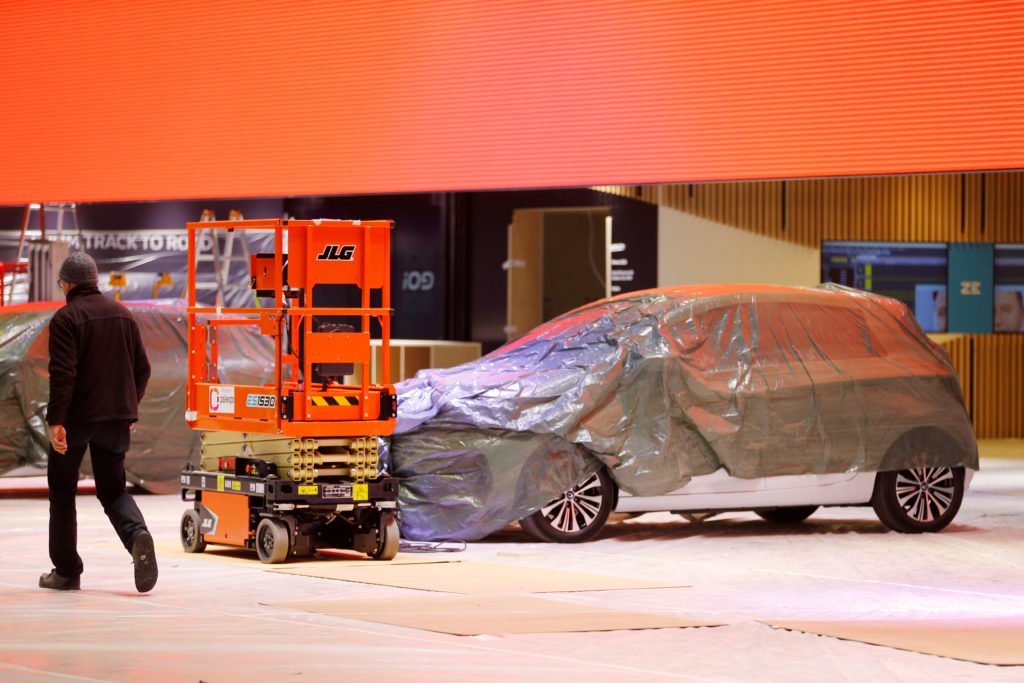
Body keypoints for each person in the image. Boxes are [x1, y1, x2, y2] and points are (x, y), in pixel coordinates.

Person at [40, 252, 158, 592]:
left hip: (76, 420)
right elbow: (143, 369)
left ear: (69, 283)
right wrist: (129, 409)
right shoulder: (123, 314)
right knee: (113, 489)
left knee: (63, 491)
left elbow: (64, 374)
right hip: (116, 419)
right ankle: (137, 535)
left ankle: (66, 571)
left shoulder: (66, 318)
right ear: (94, 280)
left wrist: (56, 419)